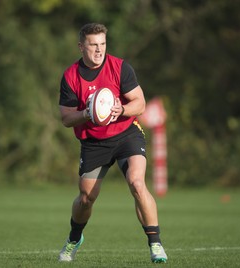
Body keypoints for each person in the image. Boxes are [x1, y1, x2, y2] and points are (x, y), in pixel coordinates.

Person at [57, 22, 167, 264]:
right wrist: (88, 113)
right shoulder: (70, 76)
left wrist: (123, 108)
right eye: (93, 45)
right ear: (80, 47)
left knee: (137, 183)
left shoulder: (120, 67)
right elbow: (66, 118)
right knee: (86, 198)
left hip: (126, 134)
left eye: (103, 44)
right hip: (93, 143)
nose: (99, 50)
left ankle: (155, 243)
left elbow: (140, 103)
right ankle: (75, 238)